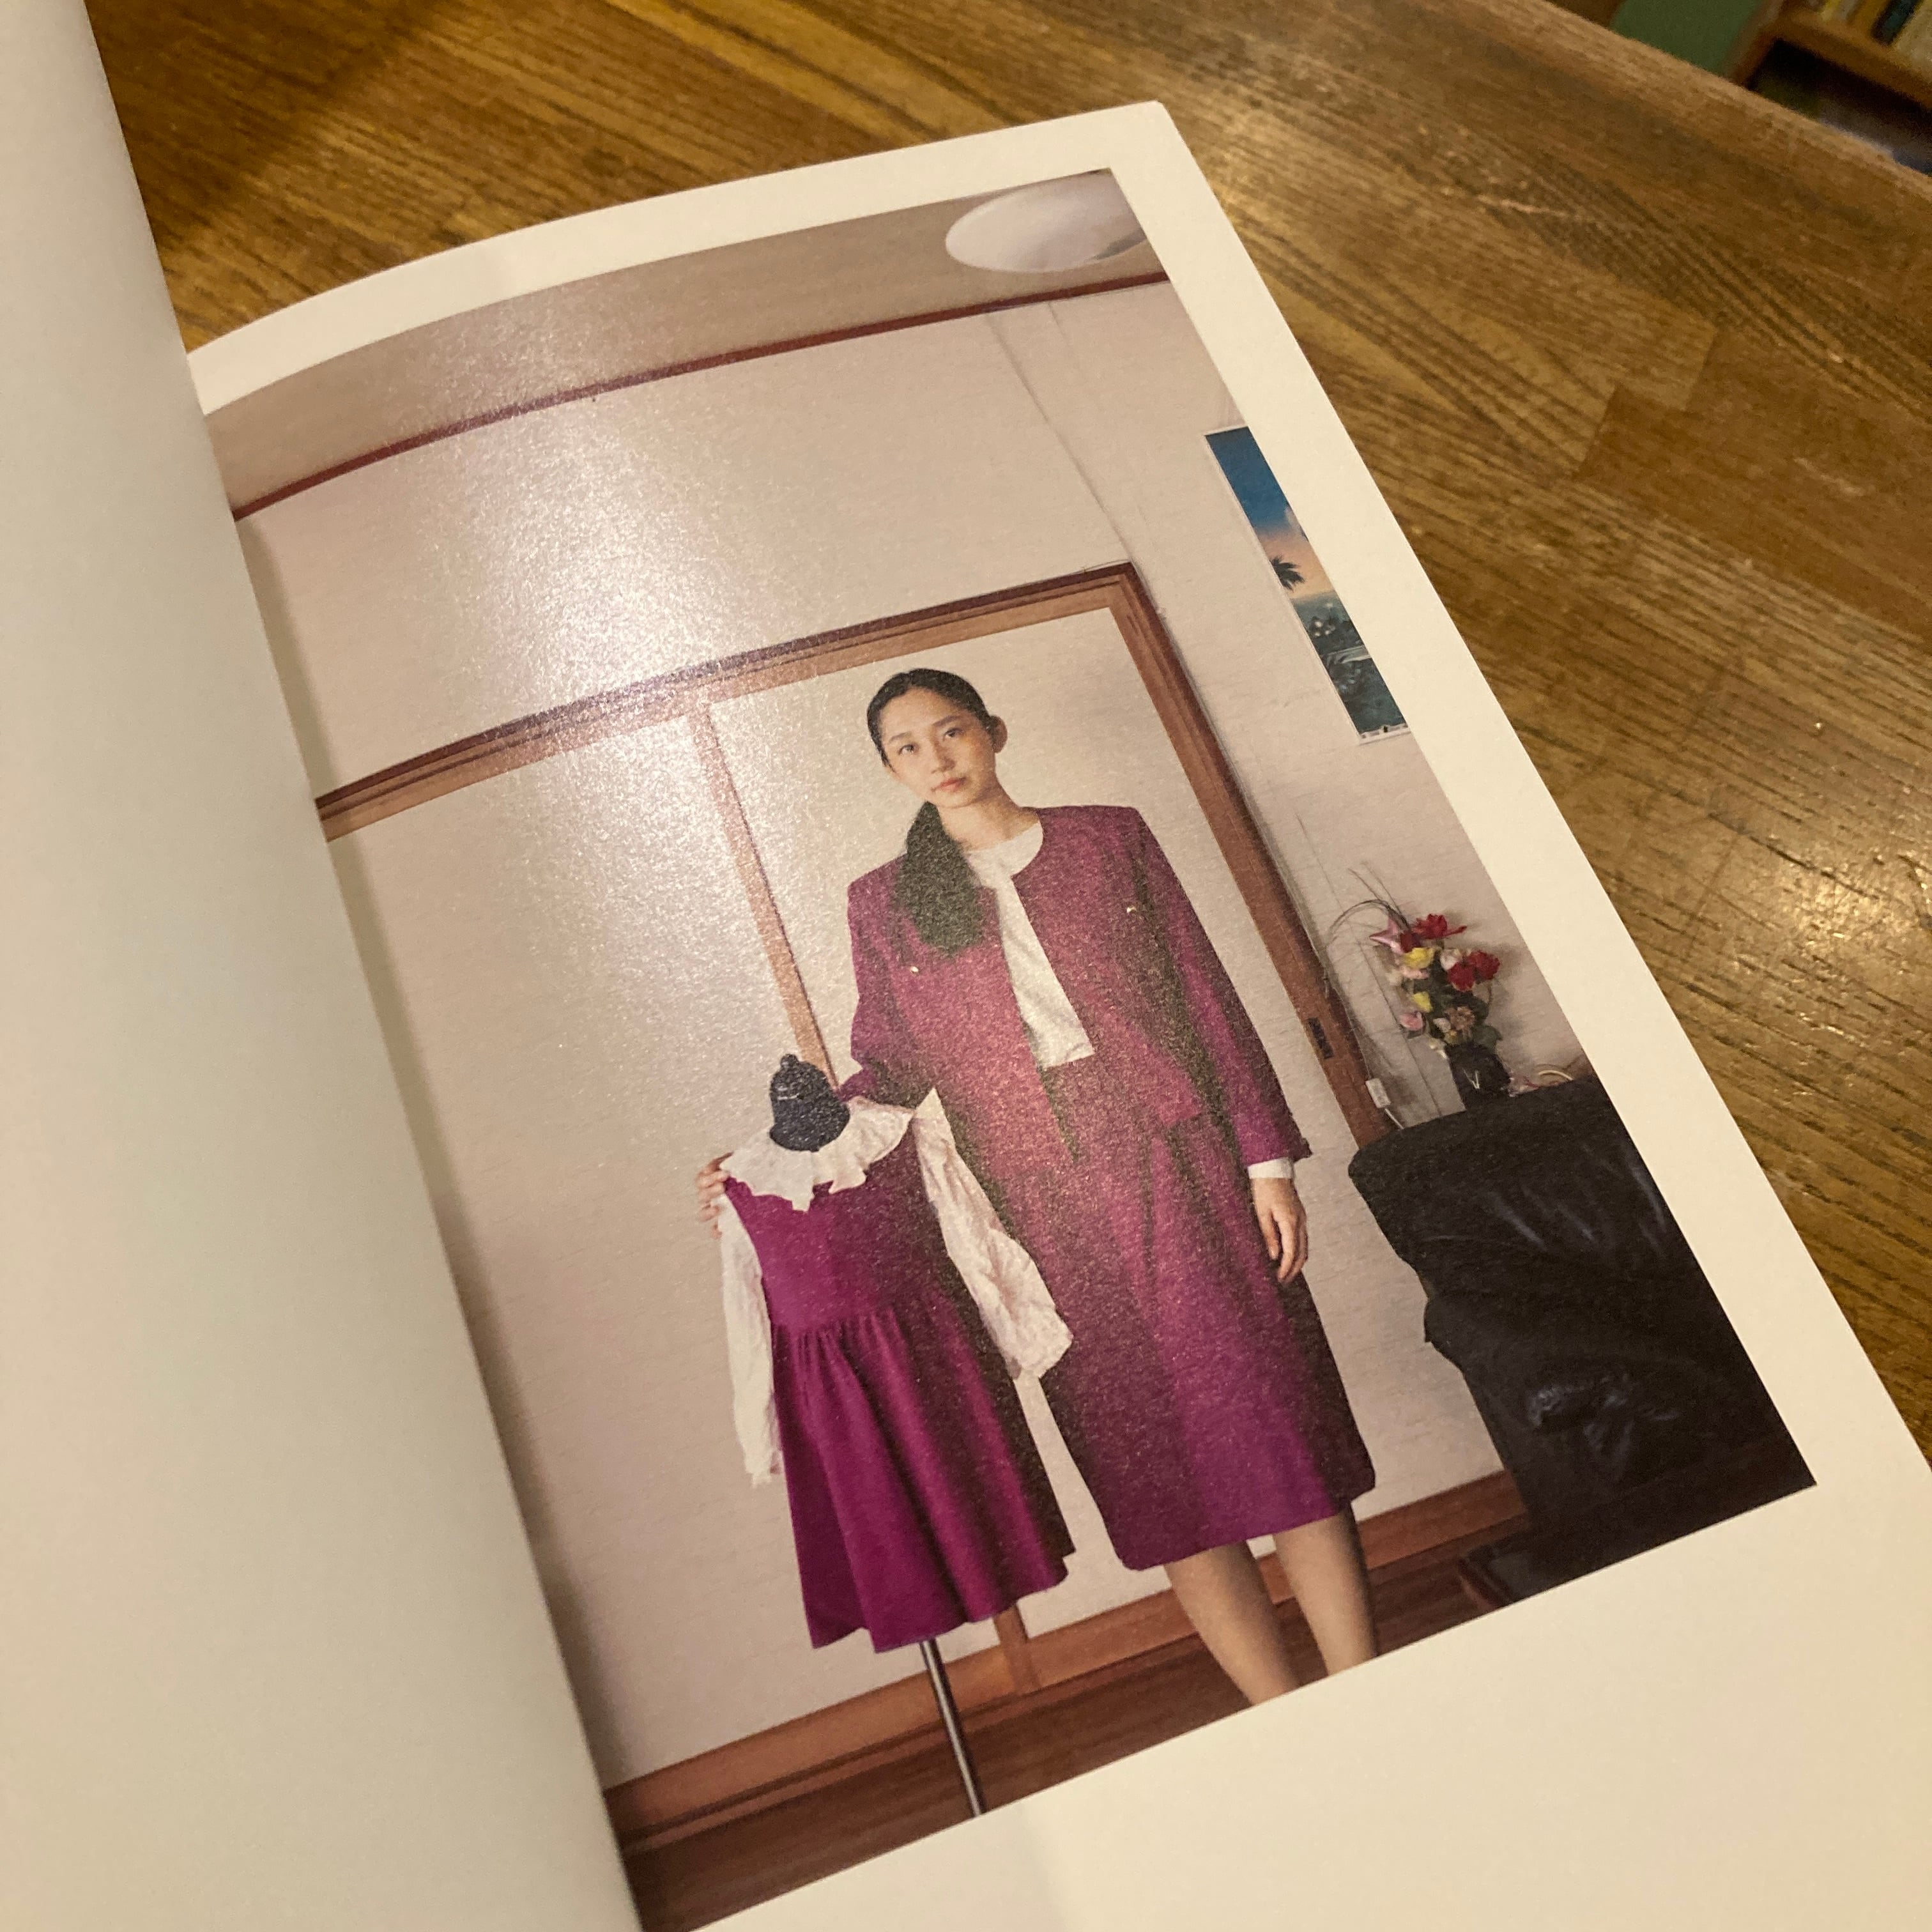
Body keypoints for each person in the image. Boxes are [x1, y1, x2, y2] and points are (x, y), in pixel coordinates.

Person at [702, 667, 1377, 1701]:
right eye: (907, 747)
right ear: (890, 770)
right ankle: (1280, 1713)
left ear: (994, 732)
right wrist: (772, 1162)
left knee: (1278, 1426)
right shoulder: (883, 902)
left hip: (1180, 1164)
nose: (936, 758)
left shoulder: (1111, 839)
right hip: (1035, 1209)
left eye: (951, 731)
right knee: (1156, 1472)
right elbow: (888, 1067)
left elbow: (1207, 1001)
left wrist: (1266, 1164)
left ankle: (1369, 1691)